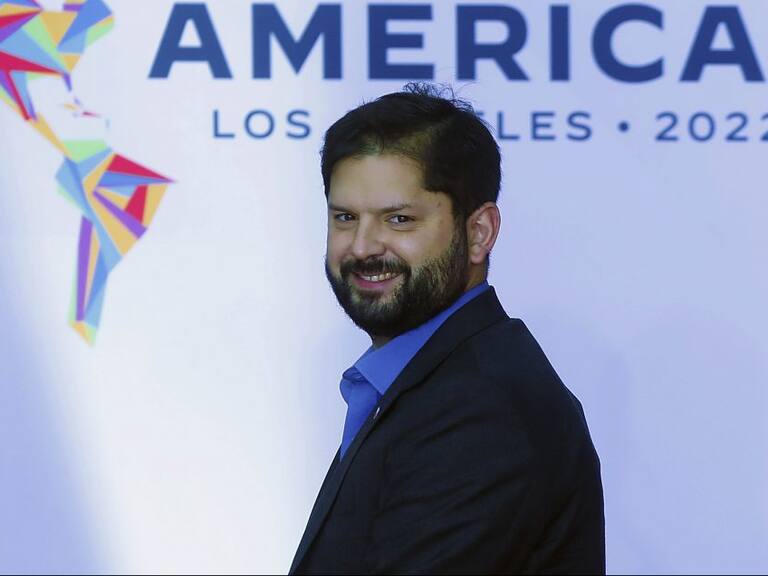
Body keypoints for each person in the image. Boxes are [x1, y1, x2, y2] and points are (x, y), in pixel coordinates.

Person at [289, 83, 605, 574]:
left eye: (399, 220)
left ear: (479, 232)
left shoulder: (480, 409)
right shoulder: (432, 383)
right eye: (345, 217)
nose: (363, 246)